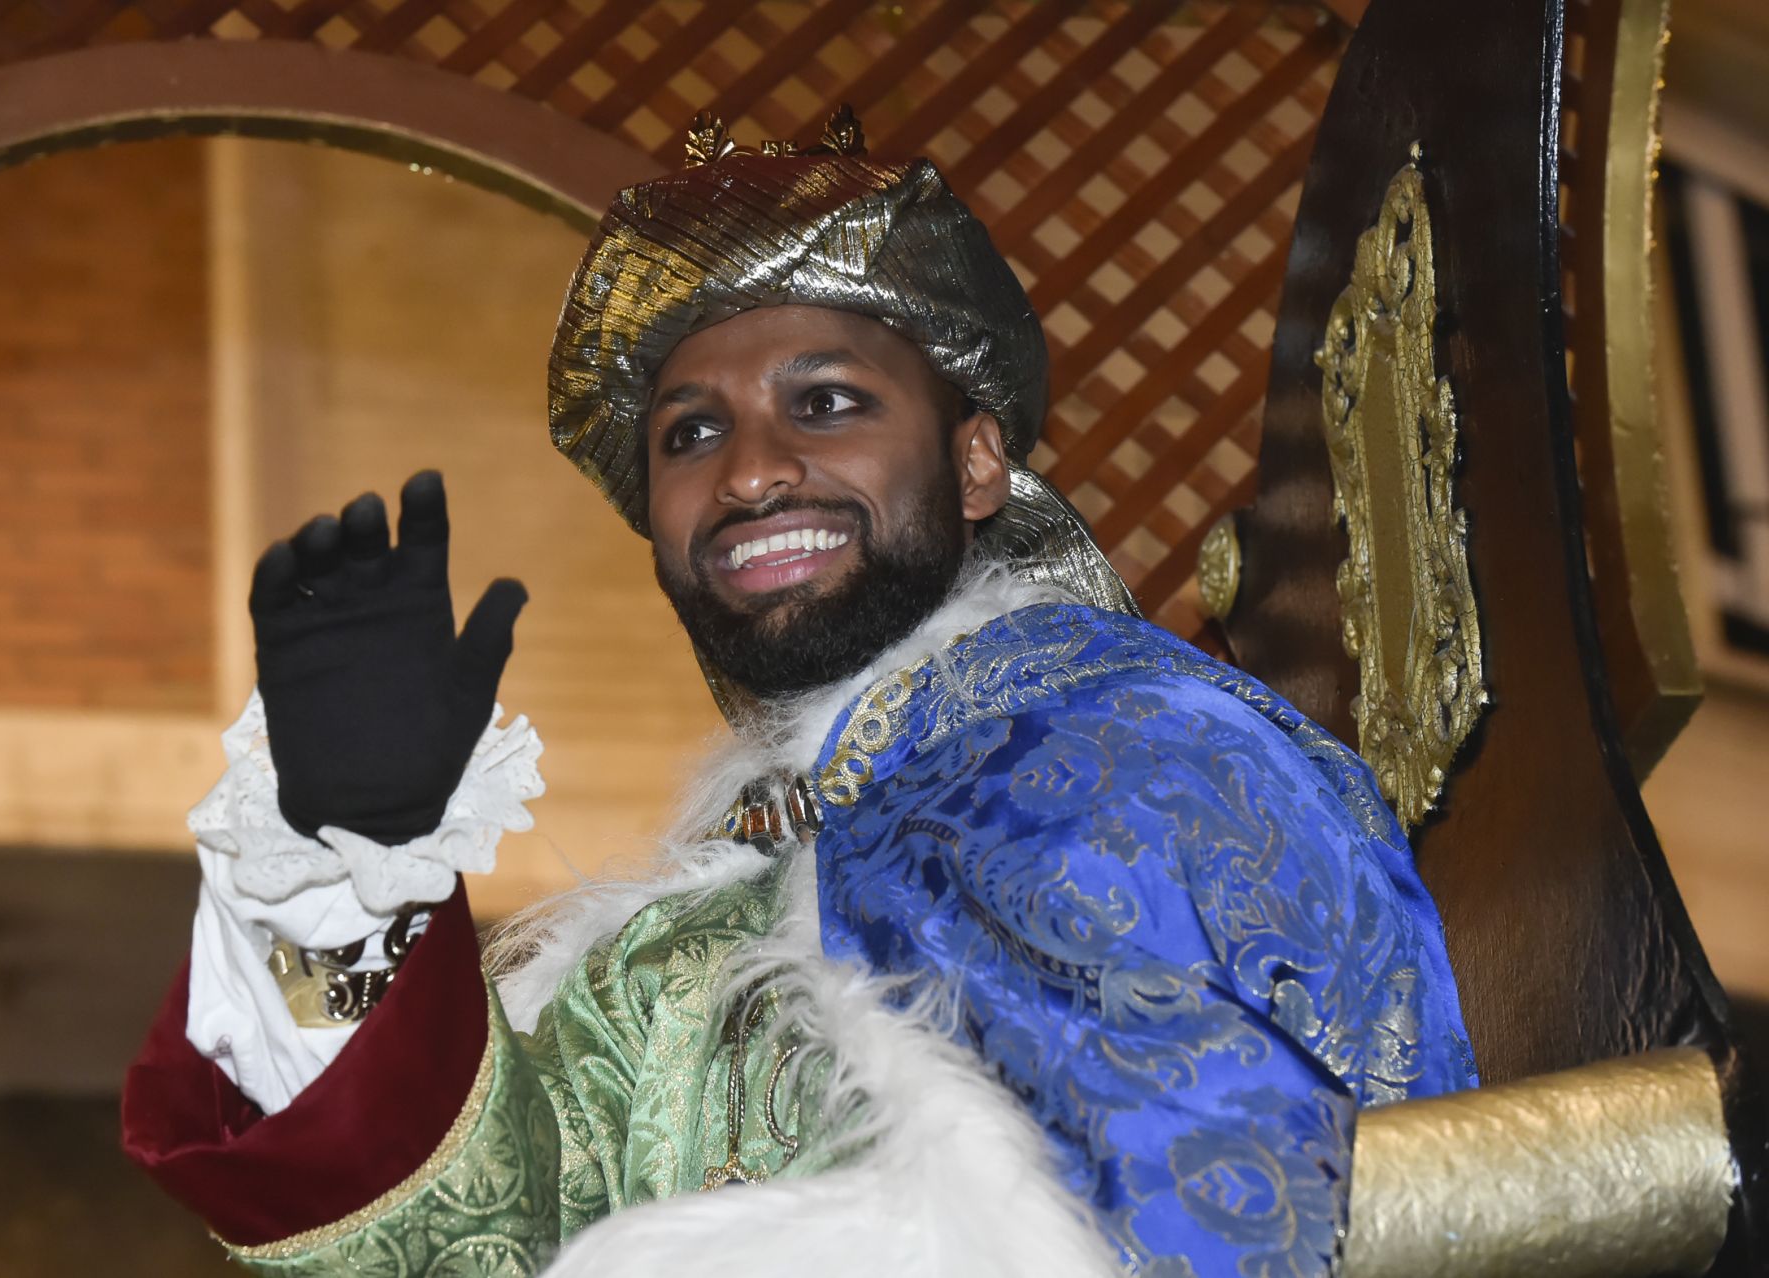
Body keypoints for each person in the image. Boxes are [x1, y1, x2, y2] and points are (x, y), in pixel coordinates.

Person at [123, 111, 1477, 1277]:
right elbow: (439, 1233)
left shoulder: (1159, 753)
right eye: (690, 433)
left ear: (980, 461)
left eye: (825, 402)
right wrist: (346, 859)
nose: (751, 470)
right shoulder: (672, 959)